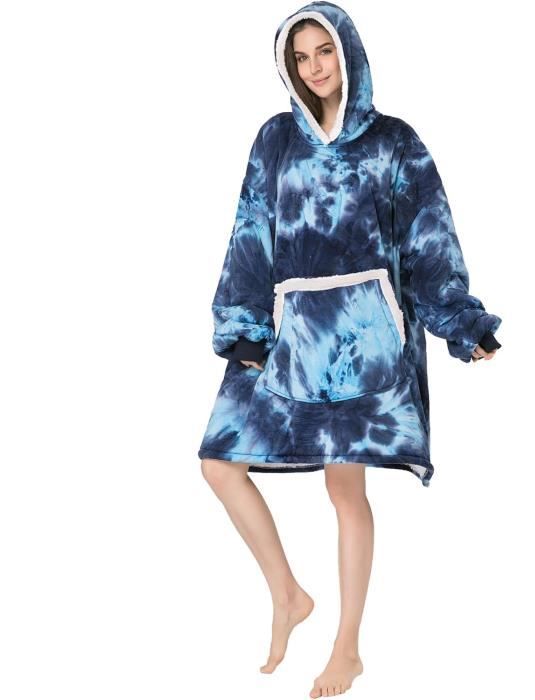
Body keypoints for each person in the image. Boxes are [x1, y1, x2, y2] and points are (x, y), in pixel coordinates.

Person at [198, 2, 503, 696]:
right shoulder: (275, 139)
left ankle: (347, 646)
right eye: (301, 57)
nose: (315, 67)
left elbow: (429, 238)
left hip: (365, 336)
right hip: (289, 330)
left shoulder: (394, 141)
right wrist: (243, 324)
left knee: (345, 488)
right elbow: (251, 232)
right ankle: (288, 594)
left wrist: (461, 323)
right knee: (219, 463)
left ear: (349, 53)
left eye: (325, 52)